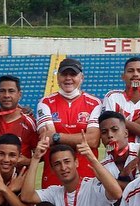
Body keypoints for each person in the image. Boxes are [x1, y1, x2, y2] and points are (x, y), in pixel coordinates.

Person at [21, 137, 123, 206]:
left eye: (67, 161)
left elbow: (117, 193)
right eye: (57, 164)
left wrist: (92, 158)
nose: (63, 168)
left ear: (76, 163)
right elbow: (27, 196)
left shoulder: (93, 186)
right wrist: (35, 158)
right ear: (53, 170)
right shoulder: (54, 192)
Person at [36, 58, 102, 188]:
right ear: (58, 77)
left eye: (73, 74)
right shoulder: (45, 103)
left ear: (81, 77)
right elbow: (46, 139)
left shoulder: (95, 103)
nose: (68, 78)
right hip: (54, 175)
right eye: (64, 74)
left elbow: (93, 140)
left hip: (86, 173)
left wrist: (57, 137)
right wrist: (80, 139)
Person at [102, 57, 140, 144]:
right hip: (118, 156)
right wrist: (139, 123)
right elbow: (109, 136)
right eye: (130, 71)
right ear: (123, 77)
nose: (135, 74)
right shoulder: (112, 97)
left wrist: (123, 123)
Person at [98, 111, 140, 188]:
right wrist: (123, 175)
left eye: (115, 129)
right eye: (104, 132)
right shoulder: (102, 167)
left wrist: (109, 181)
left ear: (126, 133)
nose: (110, 135)